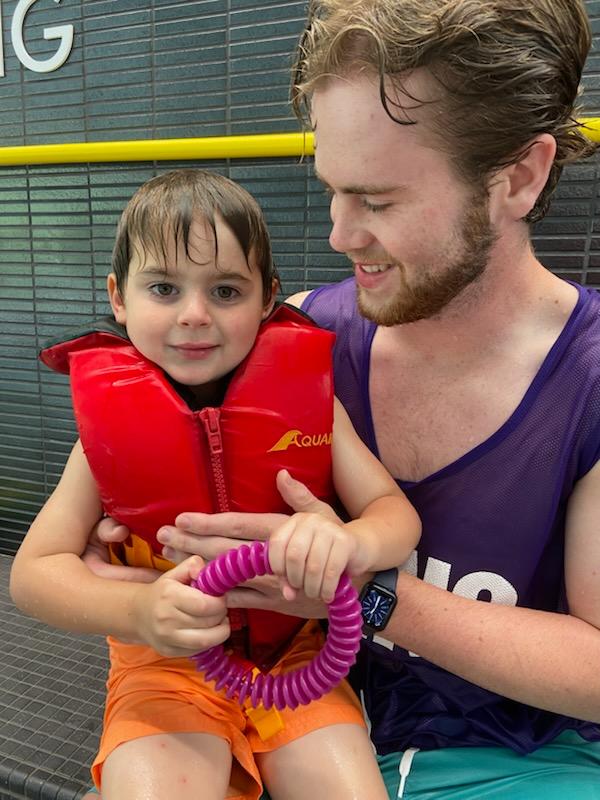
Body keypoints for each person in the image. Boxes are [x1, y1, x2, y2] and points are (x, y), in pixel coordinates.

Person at [89, 2, 600, 798]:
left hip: (521, 759)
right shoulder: (300, 339)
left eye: (378, 200)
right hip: (280, 717)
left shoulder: (590, 382)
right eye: (331, 190)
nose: (338, 233)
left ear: (519, 177)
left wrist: (367, 593)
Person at [9, 169, 423, 800]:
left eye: (226, 290)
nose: (195, 315)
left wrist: (351, 543)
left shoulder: (313, 408)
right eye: (164, 288)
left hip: (299, 664)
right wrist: (138, 612)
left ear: (268, 298)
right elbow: (34, 574)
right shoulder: (107, 436)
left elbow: (395, 515)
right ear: (119, 297)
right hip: (164, 668)